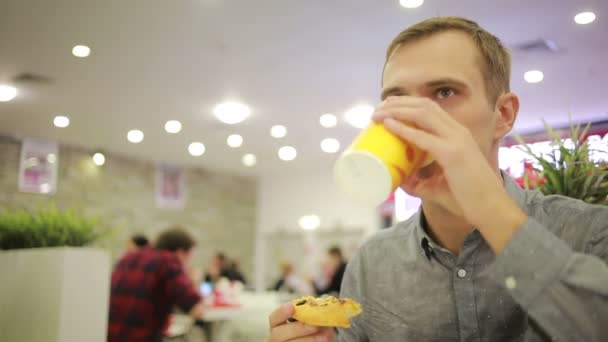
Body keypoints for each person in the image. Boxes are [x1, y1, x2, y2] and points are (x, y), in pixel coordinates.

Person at [266, 16, 608, 342]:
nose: (415, 119)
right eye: (397, 99)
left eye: (444, 92)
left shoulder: (589, 233)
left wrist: (489, 208)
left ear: (503, 115)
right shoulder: (373, 262)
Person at [108, 226, 204, 341]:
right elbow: (197, 309)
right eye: (189, 257)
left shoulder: (127, 258)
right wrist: (193, 280)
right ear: (180, 252)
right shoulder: (168, 261)